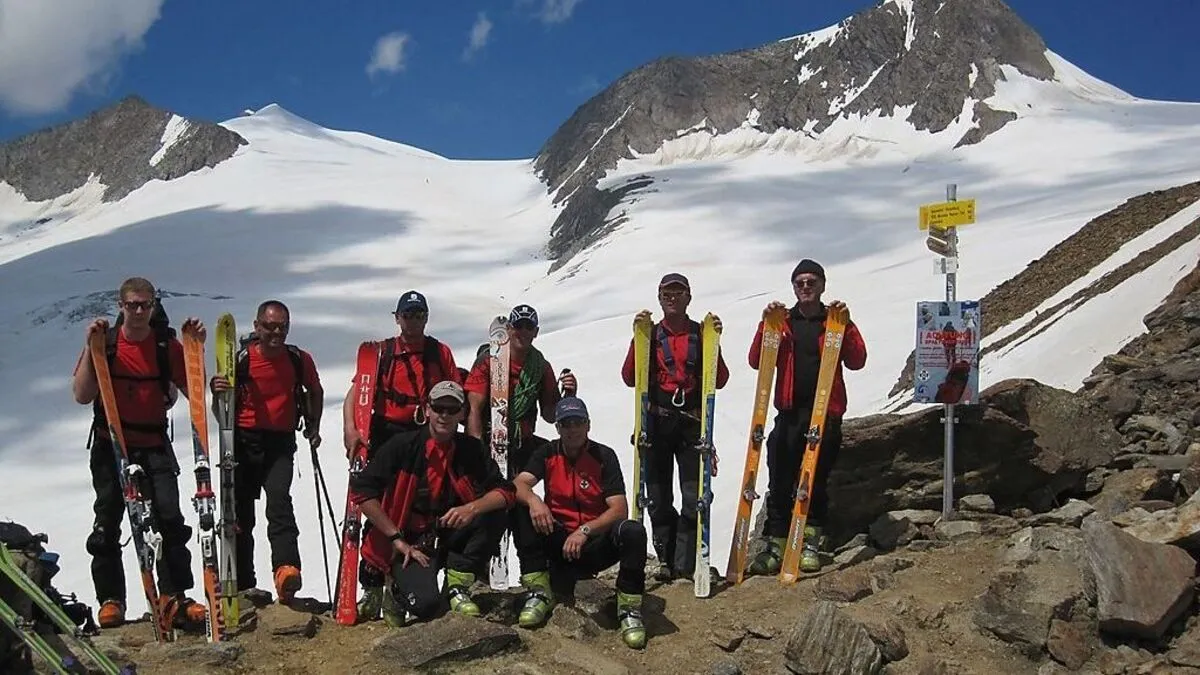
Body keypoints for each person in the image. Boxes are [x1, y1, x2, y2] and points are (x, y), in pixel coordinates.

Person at [70, 277, 208, 630]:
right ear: (121, 306)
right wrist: (91, 348)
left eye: (145, 304)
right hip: (110, 444)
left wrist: (196, 351)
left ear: (153, 305)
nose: (138, 311)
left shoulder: (165, 346)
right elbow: (83, 394)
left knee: (169, 520)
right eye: (132, 304)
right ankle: (111, 600)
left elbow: (194, 390)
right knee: (108, 520)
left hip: (153, 444)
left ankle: (174, 595)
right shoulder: (108, 344)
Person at [348, 381, 514, 626]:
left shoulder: (471, 449)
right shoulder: (402, 446)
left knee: (494, 513)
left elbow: (506, 491)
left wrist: (471, 509)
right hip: (409, 540)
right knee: (425, 607)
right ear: (427, 410)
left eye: (451, 409)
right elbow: (362, 492)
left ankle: (457, 585)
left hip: (445, 531)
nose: (444, 415)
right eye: (438, 408)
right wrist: (397, 539)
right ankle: (396, 592)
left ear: (461, 413)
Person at [343, 290, 460, 618]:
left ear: (426, 317)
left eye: (418, 314)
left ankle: (405, 585)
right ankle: (373, 586)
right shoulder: (382, 353)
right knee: (381, 507)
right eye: (407, 314)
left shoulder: (440, 352)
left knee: (422, 508)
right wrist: (351, 430)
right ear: (397, 318)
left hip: (429, 436)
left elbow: (455, 394)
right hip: (387, 435)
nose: (413, 320)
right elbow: (358, 391)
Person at [747, 259, 867, 575]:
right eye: (799, 283)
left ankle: (809, 544)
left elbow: (857, 360)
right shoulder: (782, 321)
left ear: (823, 285)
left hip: (825, 414)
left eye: (811, 282)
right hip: (788, 414)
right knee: (780, 480)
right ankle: (776, 545)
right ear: (793, 287)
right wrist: (766, 326)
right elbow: (757, 360)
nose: (805, 287)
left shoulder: (835, 322)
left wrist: (847, 325)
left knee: (816, 481)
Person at [209, 300, 324, 605]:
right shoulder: (242, 360)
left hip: (280, 441)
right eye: (270, 326)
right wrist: (216, 393)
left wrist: (314, 425)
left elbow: (315, 390)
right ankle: (245, 582)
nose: (276, 332)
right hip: (244, 440)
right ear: (257, 326)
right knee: (241, 512)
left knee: (279, 502)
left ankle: (286, 569)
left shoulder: (299, 359)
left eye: (282, 326)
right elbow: (221, 412)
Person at [511, 396, 648, 649]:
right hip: (558, 539)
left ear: (588, 425)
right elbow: (519, 484)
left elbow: (619, 509)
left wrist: (585, 530)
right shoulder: (547, 453)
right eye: (566, 423)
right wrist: (535, 501)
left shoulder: (603, 456)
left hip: (593, 543)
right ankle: (540, 591)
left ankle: (629, 608)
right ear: (558, 428)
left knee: (632, 531)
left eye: (577, 422)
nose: (572, 429)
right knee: (521, 509)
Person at [621, 273, 728, 582]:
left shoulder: (701, 335)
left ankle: (685, 563)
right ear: (659, 297)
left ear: (688, 298)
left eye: (678, 292)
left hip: (691, 425)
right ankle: (667, 561)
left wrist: (715, 344)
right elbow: (631, 377)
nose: (672, 297)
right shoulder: (650, 337)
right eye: (667, 293)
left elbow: (718, 379)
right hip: (656, 423)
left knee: (694, 496)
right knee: (657, 496)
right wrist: (637, 340)